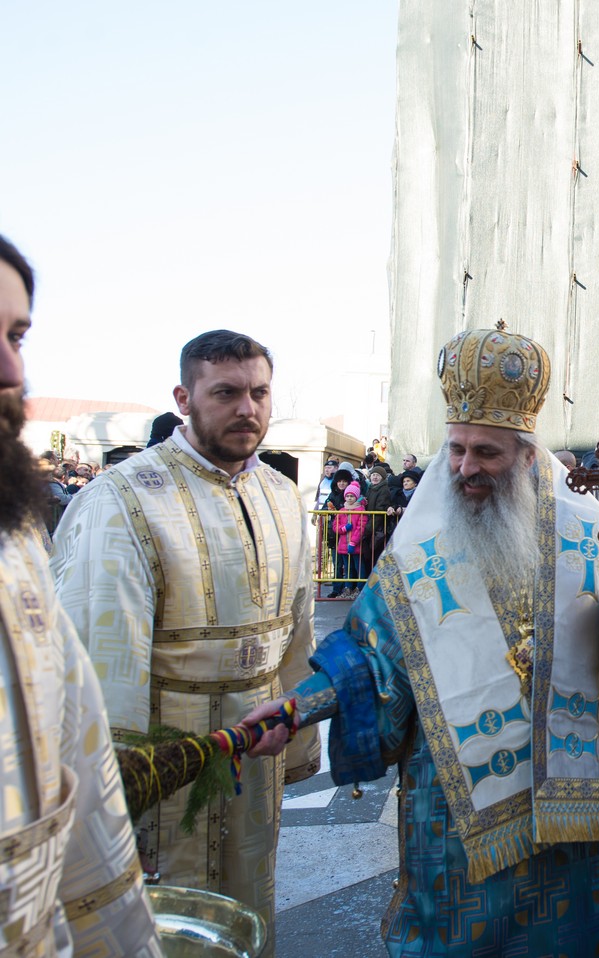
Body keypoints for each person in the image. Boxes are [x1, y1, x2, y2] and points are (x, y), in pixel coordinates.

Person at [243, 327, 599, 955]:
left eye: (487, 454)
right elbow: (369, 656)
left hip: (566, 806)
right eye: (456, 449)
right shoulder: (418, 551)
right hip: (455, 809)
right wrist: (296, 706)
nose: (466, 468)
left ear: (527, 457)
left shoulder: (587, 532)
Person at [50, 329, 321, 953]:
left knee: (247, 907)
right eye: (225, 392)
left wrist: (297, 724)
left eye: (259, 392)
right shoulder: (121, 498)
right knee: (165, 922)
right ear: (184, 396)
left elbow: (296, 631)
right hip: (163, 757)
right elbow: (99, 648)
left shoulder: (281, 496)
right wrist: (114, 781)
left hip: (256, 753)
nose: (246, 409)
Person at [0, 234, 162, 956]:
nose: (12, 369)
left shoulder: (15, 533)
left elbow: (79, 746)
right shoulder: (119, 498)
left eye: (17, 335)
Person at [330, 481, 368, 599]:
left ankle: (360, 588)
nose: (349, 498)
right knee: (347, 568)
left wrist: (353, 542)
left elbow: (360, 528)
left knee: (359, 567)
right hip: (343, 545)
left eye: (352, 496)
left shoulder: (361, 510)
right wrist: (343, 528)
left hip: (355, 545)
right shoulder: (342, 510)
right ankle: (348, 588)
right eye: (347, 495)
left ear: (356, 496)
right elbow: (335, 526)